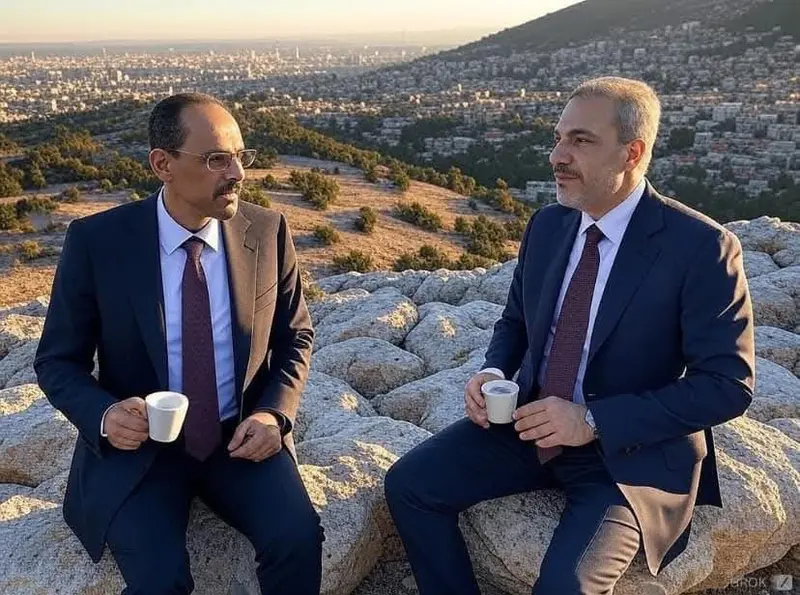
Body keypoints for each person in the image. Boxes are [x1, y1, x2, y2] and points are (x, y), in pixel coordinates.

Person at [384, 76, 755, 595]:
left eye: (580, 141)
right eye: (558, 138)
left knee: (564, 587)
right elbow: (515, 321)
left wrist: (591, 420)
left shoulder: (701, 247)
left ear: (633, 152)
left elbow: (728, 384)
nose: (558, 155)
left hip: (628, 456)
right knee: (409, 486)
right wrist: (493, 371)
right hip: (529, 424)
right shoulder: (549, 225)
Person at [34, 92, 323, 595]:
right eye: (216, 158)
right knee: (160, 580)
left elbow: (296, 334)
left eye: (240, 155)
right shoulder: (98, 242)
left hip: (239, 438)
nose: (236, 172)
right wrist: (104, 415)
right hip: (140, 449)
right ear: (162, 164)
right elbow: (58, 361)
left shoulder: (268, 230)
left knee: (298, 539)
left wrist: (274, 415)